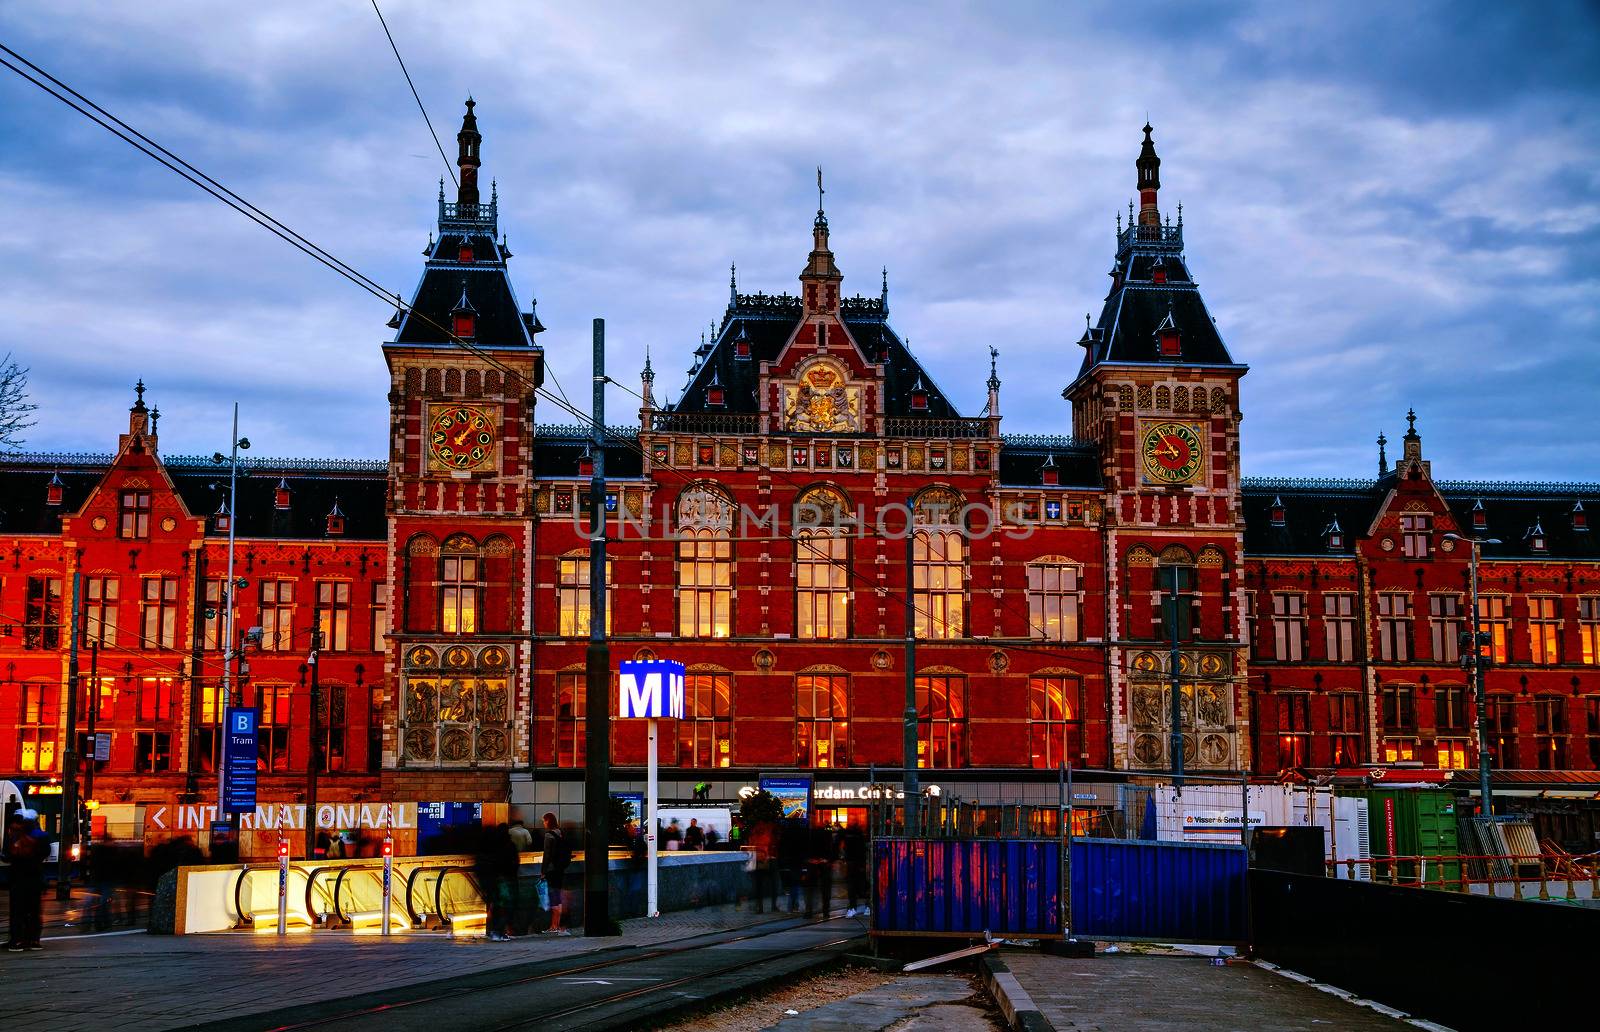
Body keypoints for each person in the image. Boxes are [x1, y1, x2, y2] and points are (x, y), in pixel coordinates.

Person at [4, 809, 48, 951]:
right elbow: (45, 853)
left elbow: (7, 855)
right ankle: (34, 940)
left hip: (18, 878)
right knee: (34, 910)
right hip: (36, 878)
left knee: (17, 911)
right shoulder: (42, 836)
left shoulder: (16, 834)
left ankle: (17, 941)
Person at [473, 824, 511, 941]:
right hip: (495, 879)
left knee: (491, 905)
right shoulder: (497, 847)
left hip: (485, 878)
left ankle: (491, 931)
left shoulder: (481, 850)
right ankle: (497, 931)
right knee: (499, 905)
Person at [539, 812, 572, 935]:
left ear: (548, 821)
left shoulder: (549, 835)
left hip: (552, 870)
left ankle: (553, 926)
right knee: (558, 896)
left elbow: (547, 855)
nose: (543, 823)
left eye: (544, 821)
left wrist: (543, 871)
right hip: (560, 869)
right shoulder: (561, 832)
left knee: (553, 896)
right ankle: (557, 925)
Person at [745, 820, 778, 913]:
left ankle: (759, 907)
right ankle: (773, 906)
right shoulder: (768, 835)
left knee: (758, 886)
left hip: (757, 862)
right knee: (773, 885)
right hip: (768, 861)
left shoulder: (753, 837)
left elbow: (750, 849)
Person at [805, 822, 836, 917]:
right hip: (824, 863)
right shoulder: (827, 835)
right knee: (825, 889)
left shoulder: (810, 834)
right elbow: (832, 849)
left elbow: (806, 849)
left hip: (812, 863)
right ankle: (825, 911)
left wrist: (810, 859)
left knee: (810, 889)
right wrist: (827, 860)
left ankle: (809, 911)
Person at [778, 819, 808, 913]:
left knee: (793, 884)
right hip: (798, 861)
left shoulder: (786, 834)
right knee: (796, 884)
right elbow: (804, 848)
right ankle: (794, 906)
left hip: (789, 862)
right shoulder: (801, 834)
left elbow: (782, 848)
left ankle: (792, 906)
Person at [841, 823, 869, 917]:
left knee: (853, 887)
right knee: (862, 887)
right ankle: (867, 906)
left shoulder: (848, 837)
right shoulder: (860, 837)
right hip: (859, 864)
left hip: (852, 864)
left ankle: (853, 907)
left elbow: (845, 850)